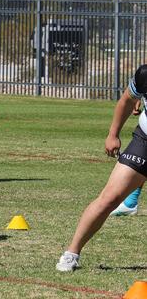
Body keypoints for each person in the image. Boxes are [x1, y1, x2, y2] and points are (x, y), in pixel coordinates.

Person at [56, 65, 147, 271]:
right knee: (109, 198)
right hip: (144, 143)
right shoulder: (145, 75)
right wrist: (113, 134)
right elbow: (126, 101)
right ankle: (72, 253)